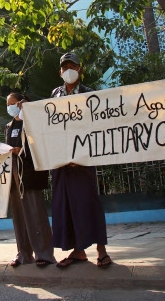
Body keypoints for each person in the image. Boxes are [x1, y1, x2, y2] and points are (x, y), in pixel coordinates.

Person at [49, 52, 112, 269]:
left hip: (83, 161)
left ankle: (101, 250)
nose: (68, 70)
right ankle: (78, 251)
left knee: (89, 204)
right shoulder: (54, 94)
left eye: (72, 66)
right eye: (64, 67)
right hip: (61, 162)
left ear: (80, 69)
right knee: (65, 205)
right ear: (60, 71)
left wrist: (82, 155)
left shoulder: (90, 94)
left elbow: (96, 129)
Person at [5, 92, 56, 268]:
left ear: (22, 103)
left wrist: (22, 151)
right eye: (8, 104)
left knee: (36, 214)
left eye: (14, 102)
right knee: (19, 217)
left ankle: (44, 254)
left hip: (30, 175)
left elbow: (40, 143)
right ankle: (24, 254)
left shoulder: (33, 121)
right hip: (14, 177)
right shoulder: (9, 126)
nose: (11, 106)